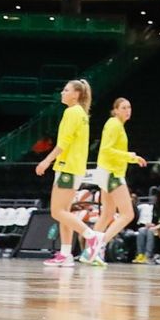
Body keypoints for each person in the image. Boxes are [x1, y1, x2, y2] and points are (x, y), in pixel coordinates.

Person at [36, 80, 105, 268]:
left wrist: (46, 161)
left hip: (67, 167)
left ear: (76, 95)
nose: (62, 93)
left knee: (56, 211)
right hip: (75, 168)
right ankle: (65, 254)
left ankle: (91, 237)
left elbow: (63, 143)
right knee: (64, 213)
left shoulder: (72, 112)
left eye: (66, 90)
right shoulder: (81, 114)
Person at [96, 99, 149, 262]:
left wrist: (132, 159)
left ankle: (90, 251)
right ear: (116, 110)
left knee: (107, 214)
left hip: (106, 172)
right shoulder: (114, 124)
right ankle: (100, 244)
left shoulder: (116, 125)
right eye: (124, 108)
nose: (128, 110)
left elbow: (113, 152)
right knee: (128, 214)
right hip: (112, 174)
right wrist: (130, 156)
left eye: (129, 107)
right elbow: (106, 150)